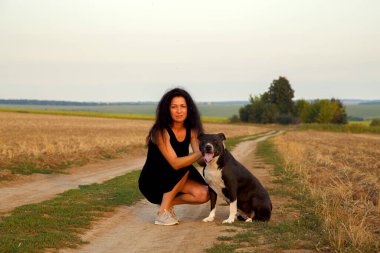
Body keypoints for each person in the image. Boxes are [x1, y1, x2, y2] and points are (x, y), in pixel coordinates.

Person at [138, 88, 209, 226]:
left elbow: (200, 161)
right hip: (152, 181)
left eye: (183, 106)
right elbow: (176, 163)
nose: (179, 111)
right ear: (167, 109)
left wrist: (211, 152)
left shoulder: (192, 130)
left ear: (189, 109)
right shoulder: (160, 131)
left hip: (176, 176)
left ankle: (167, 204)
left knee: (204, 194)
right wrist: (201, 151)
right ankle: (162, 213)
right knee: (183, 166)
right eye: (174, 107)